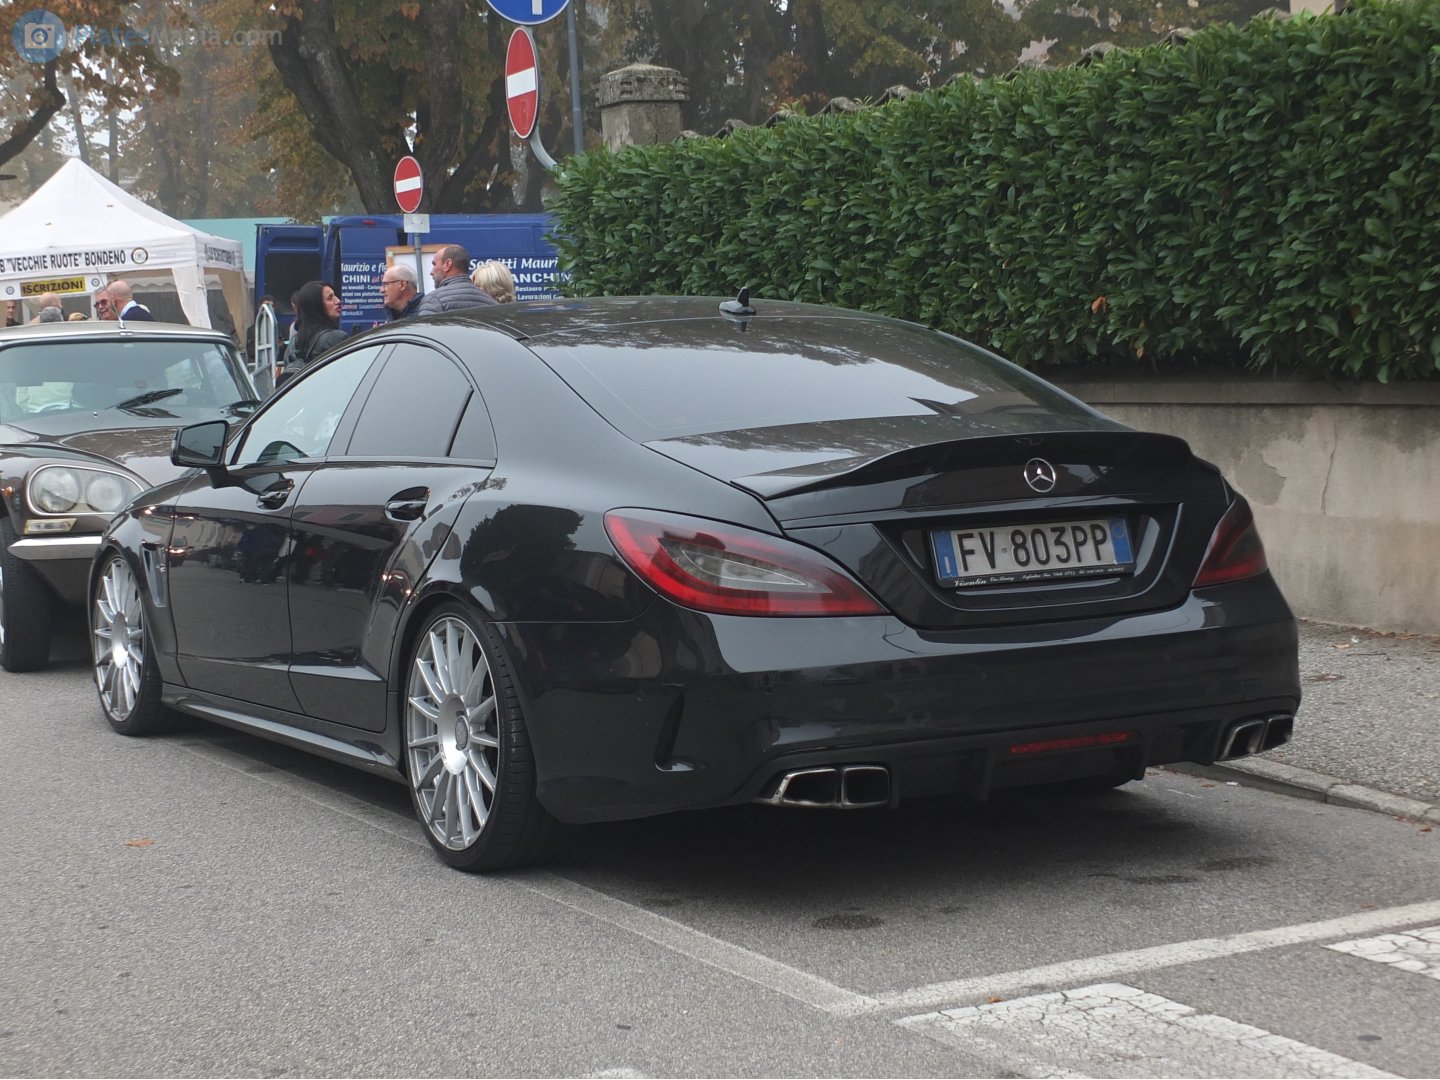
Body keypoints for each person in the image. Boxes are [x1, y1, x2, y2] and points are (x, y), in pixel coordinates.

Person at [280, 281, 346, 379]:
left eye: (335, 296)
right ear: (316, 306)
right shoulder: (336, 338)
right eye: (330, 298)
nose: (338, 301)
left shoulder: (293, 343)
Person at [416, 244, 495, 315]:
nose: (431, 272)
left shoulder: (433, 301)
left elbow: (426, 330)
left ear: (448, 264)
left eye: (434, 264)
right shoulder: (490, 301)